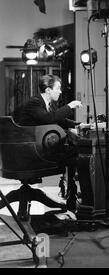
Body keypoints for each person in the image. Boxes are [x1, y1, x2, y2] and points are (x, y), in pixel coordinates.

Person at [19, 74, 82, 211]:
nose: (60, 91)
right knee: (76, 153)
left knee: (72, 150)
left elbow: (58, 120)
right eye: (58, 88)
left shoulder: (44, 103)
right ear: (48, 90)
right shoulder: (34, 103)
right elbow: (48, 119)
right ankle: (76, 201)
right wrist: (70, 106)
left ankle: (73, 196)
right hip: (29, 157)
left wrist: (79, 125)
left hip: (32, 151)